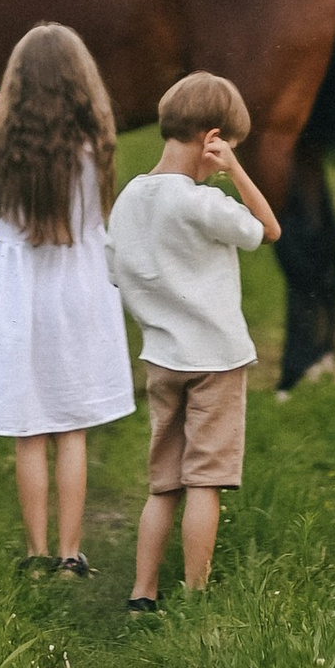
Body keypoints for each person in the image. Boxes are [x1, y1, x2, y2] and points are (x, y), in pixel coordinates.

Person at [0, 22, 135, 575]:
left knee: (28, 430)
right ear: (81, 83)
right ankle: (70, 553)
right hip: (78, 295)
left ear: (19, 84)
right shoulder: (94, 147)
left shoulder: (3, 154)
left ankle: (34, 557)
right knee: (70, 427)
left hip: (20, 299)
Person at [104, 72, 280, 612]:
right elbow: (267, 229)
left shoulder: (131, 198)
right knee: (206, 482)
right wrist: (238, 170)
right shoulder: (202, 203)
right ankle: (196, 597)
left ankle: (143, 593)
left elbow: (115, 270)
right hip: (218, 361)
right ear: (214, 138)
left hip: (162, 359)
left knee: (164, 485)